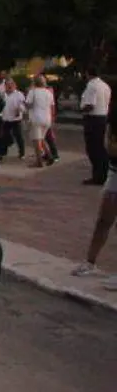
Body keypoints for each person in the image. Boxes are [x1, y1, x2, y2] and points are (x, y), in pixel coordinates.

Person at [70, 103, 117, 288]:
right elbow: (108, 146)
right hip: (114, 172)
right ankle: (90, 262)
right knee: (104, 219)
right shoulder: (112, 119)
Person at [81, 68, 113, 185]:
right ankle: (104, 173)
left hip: (92, 118)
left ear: (88, 74)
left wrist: (82, 110)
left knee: (92, 148)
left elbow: (90, 105)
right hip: (103, 117)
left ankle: (98, 175)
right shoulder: (105, 86)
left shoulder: (91, 86)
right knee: (99, 146)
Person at [26, 75, 55, 168]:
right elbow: (52, 106)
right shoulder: (49, 93)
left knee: (36, 141)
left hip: (36, 118)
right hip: (47, 118)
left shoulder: (33, 92)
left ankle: (39, 161)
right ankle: (49, 155)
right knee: (41, 139)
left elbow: (28, 104)